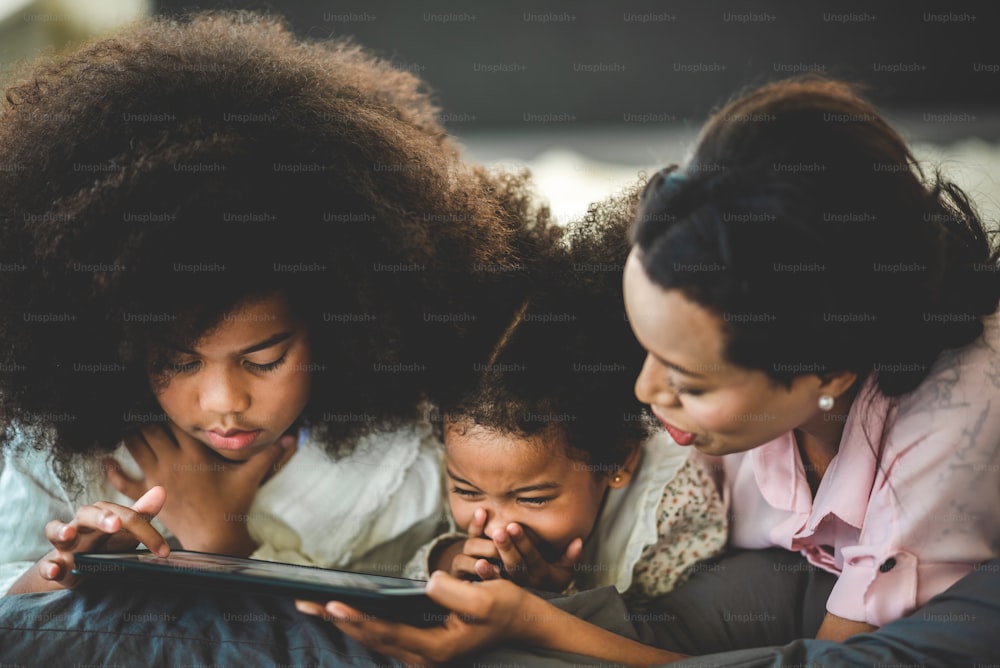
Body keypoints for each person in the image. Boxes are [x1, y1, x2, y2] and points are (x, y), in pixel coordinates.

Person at [301, 78, 1000, 666]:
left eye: (689, 382)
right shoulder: (727, 361)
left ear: (831, 372)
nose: (645, 392)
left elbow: (840, 656)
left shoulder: (951, 429)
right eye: (645, 350)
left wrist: (540, 624)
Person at [0, 11, 544, 595]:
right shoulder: (60, 453)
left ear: (342, 325)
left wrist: (218, 544)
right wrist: (55, 578)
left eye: (264, 359)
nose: (225, 402)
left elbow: (390, 597)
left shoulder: (396, 461)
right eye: (178, 361)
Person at [401, 202, 727, 600]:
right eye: (467, 491)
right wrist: (447, 558)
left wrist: (557, 598)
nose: (496, 528)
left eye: (533, 498)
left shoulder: (674, 506)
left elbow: (653, 637)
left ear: (618, 461)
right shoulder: (462, 464)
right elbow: (415, 567)